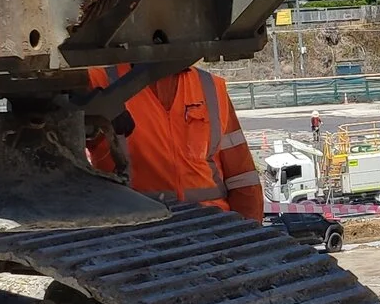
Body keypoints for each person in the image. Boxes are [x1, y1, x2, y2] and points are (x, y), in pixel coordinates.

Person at [84, 66, 265, 220]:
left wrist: (251, 234)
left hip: (212, 226)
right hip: (136, 231)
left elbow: (242, 178)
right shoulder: (96, 82)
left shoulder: (210, 87)